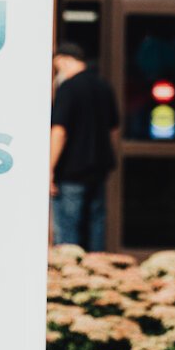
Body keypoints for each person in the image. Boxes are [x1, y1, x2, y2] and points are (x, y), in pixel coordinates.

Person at [50, 42, 119, 250]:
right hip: (98, 168)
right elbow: (113, 129)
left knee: (68, 230)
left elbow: (59, 131)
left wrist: (50, 168)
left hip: (70, 170)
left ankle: (70, 267)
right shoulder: (103, 86)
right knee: (96, 225)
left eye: (57, 67)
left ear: (64, 60)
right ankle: (96, 264)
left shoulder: (68, 88)